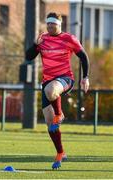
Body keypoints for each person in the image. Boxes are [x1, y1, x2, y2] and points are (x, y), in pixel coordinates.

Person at [26, 12, 89, 169]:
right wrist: (35, 45)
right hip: (47, 82)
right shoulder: (43, 38)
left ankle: (59, 113)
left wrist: (85, 77)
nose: (49, 26)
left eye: (52, 24)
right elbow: (28, 57)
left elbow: (83, 56)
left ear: (60, 25)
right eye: (47, 23)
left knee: (51, 90)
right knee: (49, 123)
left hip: (65, 79)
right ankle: (61, 152)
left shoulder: (69, 38)